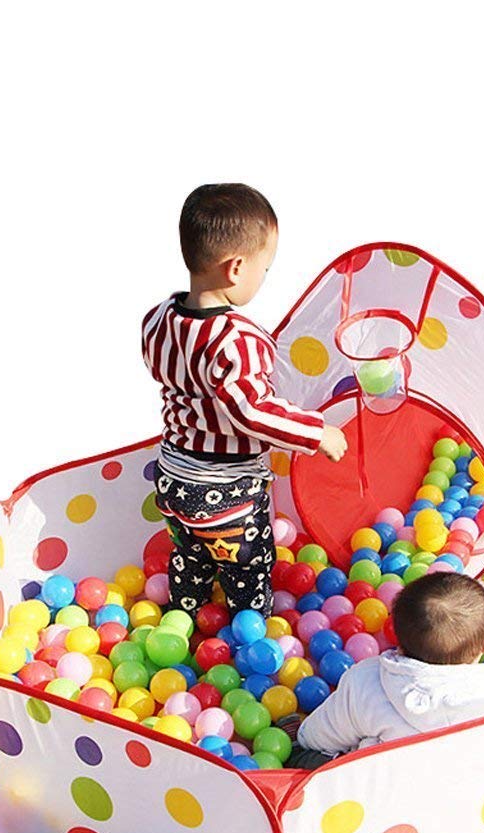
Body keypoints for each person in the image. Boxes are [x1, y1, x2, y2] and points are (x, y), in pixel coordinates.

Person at [142, 183, 347, 615]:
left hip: (173, 475)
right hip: (226, 490)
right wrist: (317, 433)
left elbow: (165, 370)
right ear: (236, 268)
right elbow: (252, 411)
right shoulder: (237, 339)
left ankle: (183, 614)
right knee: (247, 567)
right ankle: (248, 629)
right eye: (265, 268)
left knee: (190, 554)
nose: (264, 276)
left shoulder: (159, 318)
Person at [288, 574, 484, 768]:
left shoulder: (365, 682)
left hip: (382, 799)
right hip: (468, 800)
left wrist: (302, 737)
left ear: (396, 638)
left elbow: (318, 737)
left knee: (301, 754)